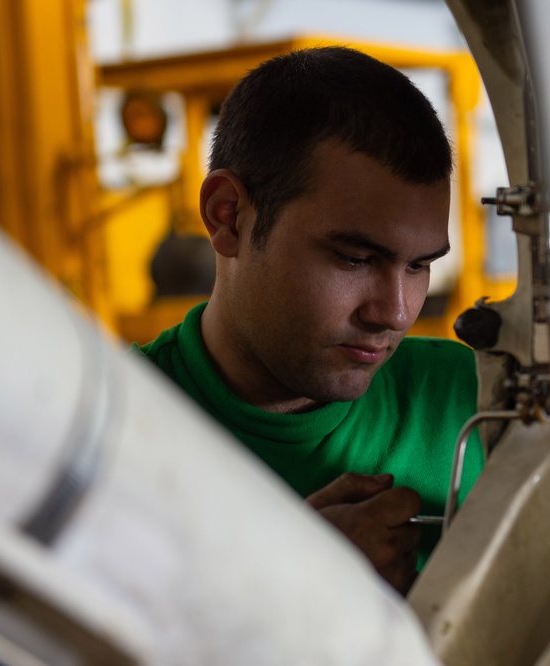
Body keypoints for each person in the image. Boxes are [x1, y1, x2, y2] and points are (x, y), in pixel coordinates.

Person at [134, 46, 484, 595]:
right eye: (353, 258)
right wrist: (288, 592)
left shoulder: (474, 404)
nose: (393, 312)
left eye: (419, 266)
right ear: (229, 217)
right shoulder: (111, 435)